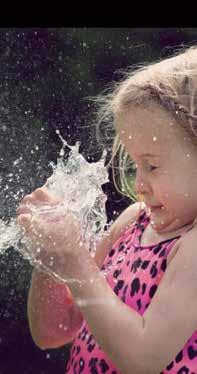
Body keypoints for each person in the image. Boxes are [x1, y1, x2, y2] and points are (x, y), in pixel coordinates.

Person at [16, 46, 197, 374]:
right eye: (133, 164)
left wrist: (74, 260)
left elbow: (142, 359)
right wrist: (52, 258)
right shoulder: (132, 223)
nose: (139, 185)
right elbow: (53, 332)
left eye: (151, 166)